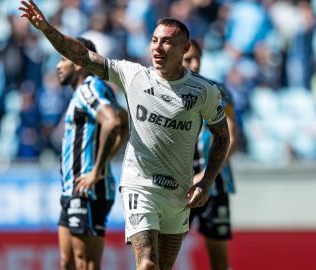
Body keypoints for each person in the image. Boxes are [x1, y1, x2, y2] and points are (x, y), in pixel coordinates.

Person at [19, 1, 230, 269]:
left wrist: (206, 182)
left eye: (166, 42)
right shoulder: (133, 76)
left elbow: (222, 137)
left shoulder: (204, 91)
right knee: (147, 264)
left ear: (185, 48)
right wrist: (47, 29)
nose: (157, 47)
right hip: (139, 185)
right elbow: (83, 56)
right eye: (154, 40)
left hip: (179, 191)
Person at [56, 37, 129, 270]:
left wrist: (97, 170)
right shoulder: (85, 92)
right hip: (74, 187)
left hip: (88, 189)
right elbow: (124, 121)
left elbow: (113, 122)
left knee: (85, 263)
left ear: (78, 63)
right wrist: (105, 159)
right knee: (68, 262)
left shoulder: (89, 88)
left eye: (62, 58)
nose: (58, 66)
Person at [183, 40, 238, 270]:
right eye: (188, 60)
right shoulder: (163, 93)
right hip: (179, 185)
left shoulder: (218, 91)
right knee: (163, 253)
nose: (195, 65)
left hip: (214, 185)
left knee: (219, 262)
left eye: (198, 58)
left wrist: (205, 176)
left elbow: (232, 138)